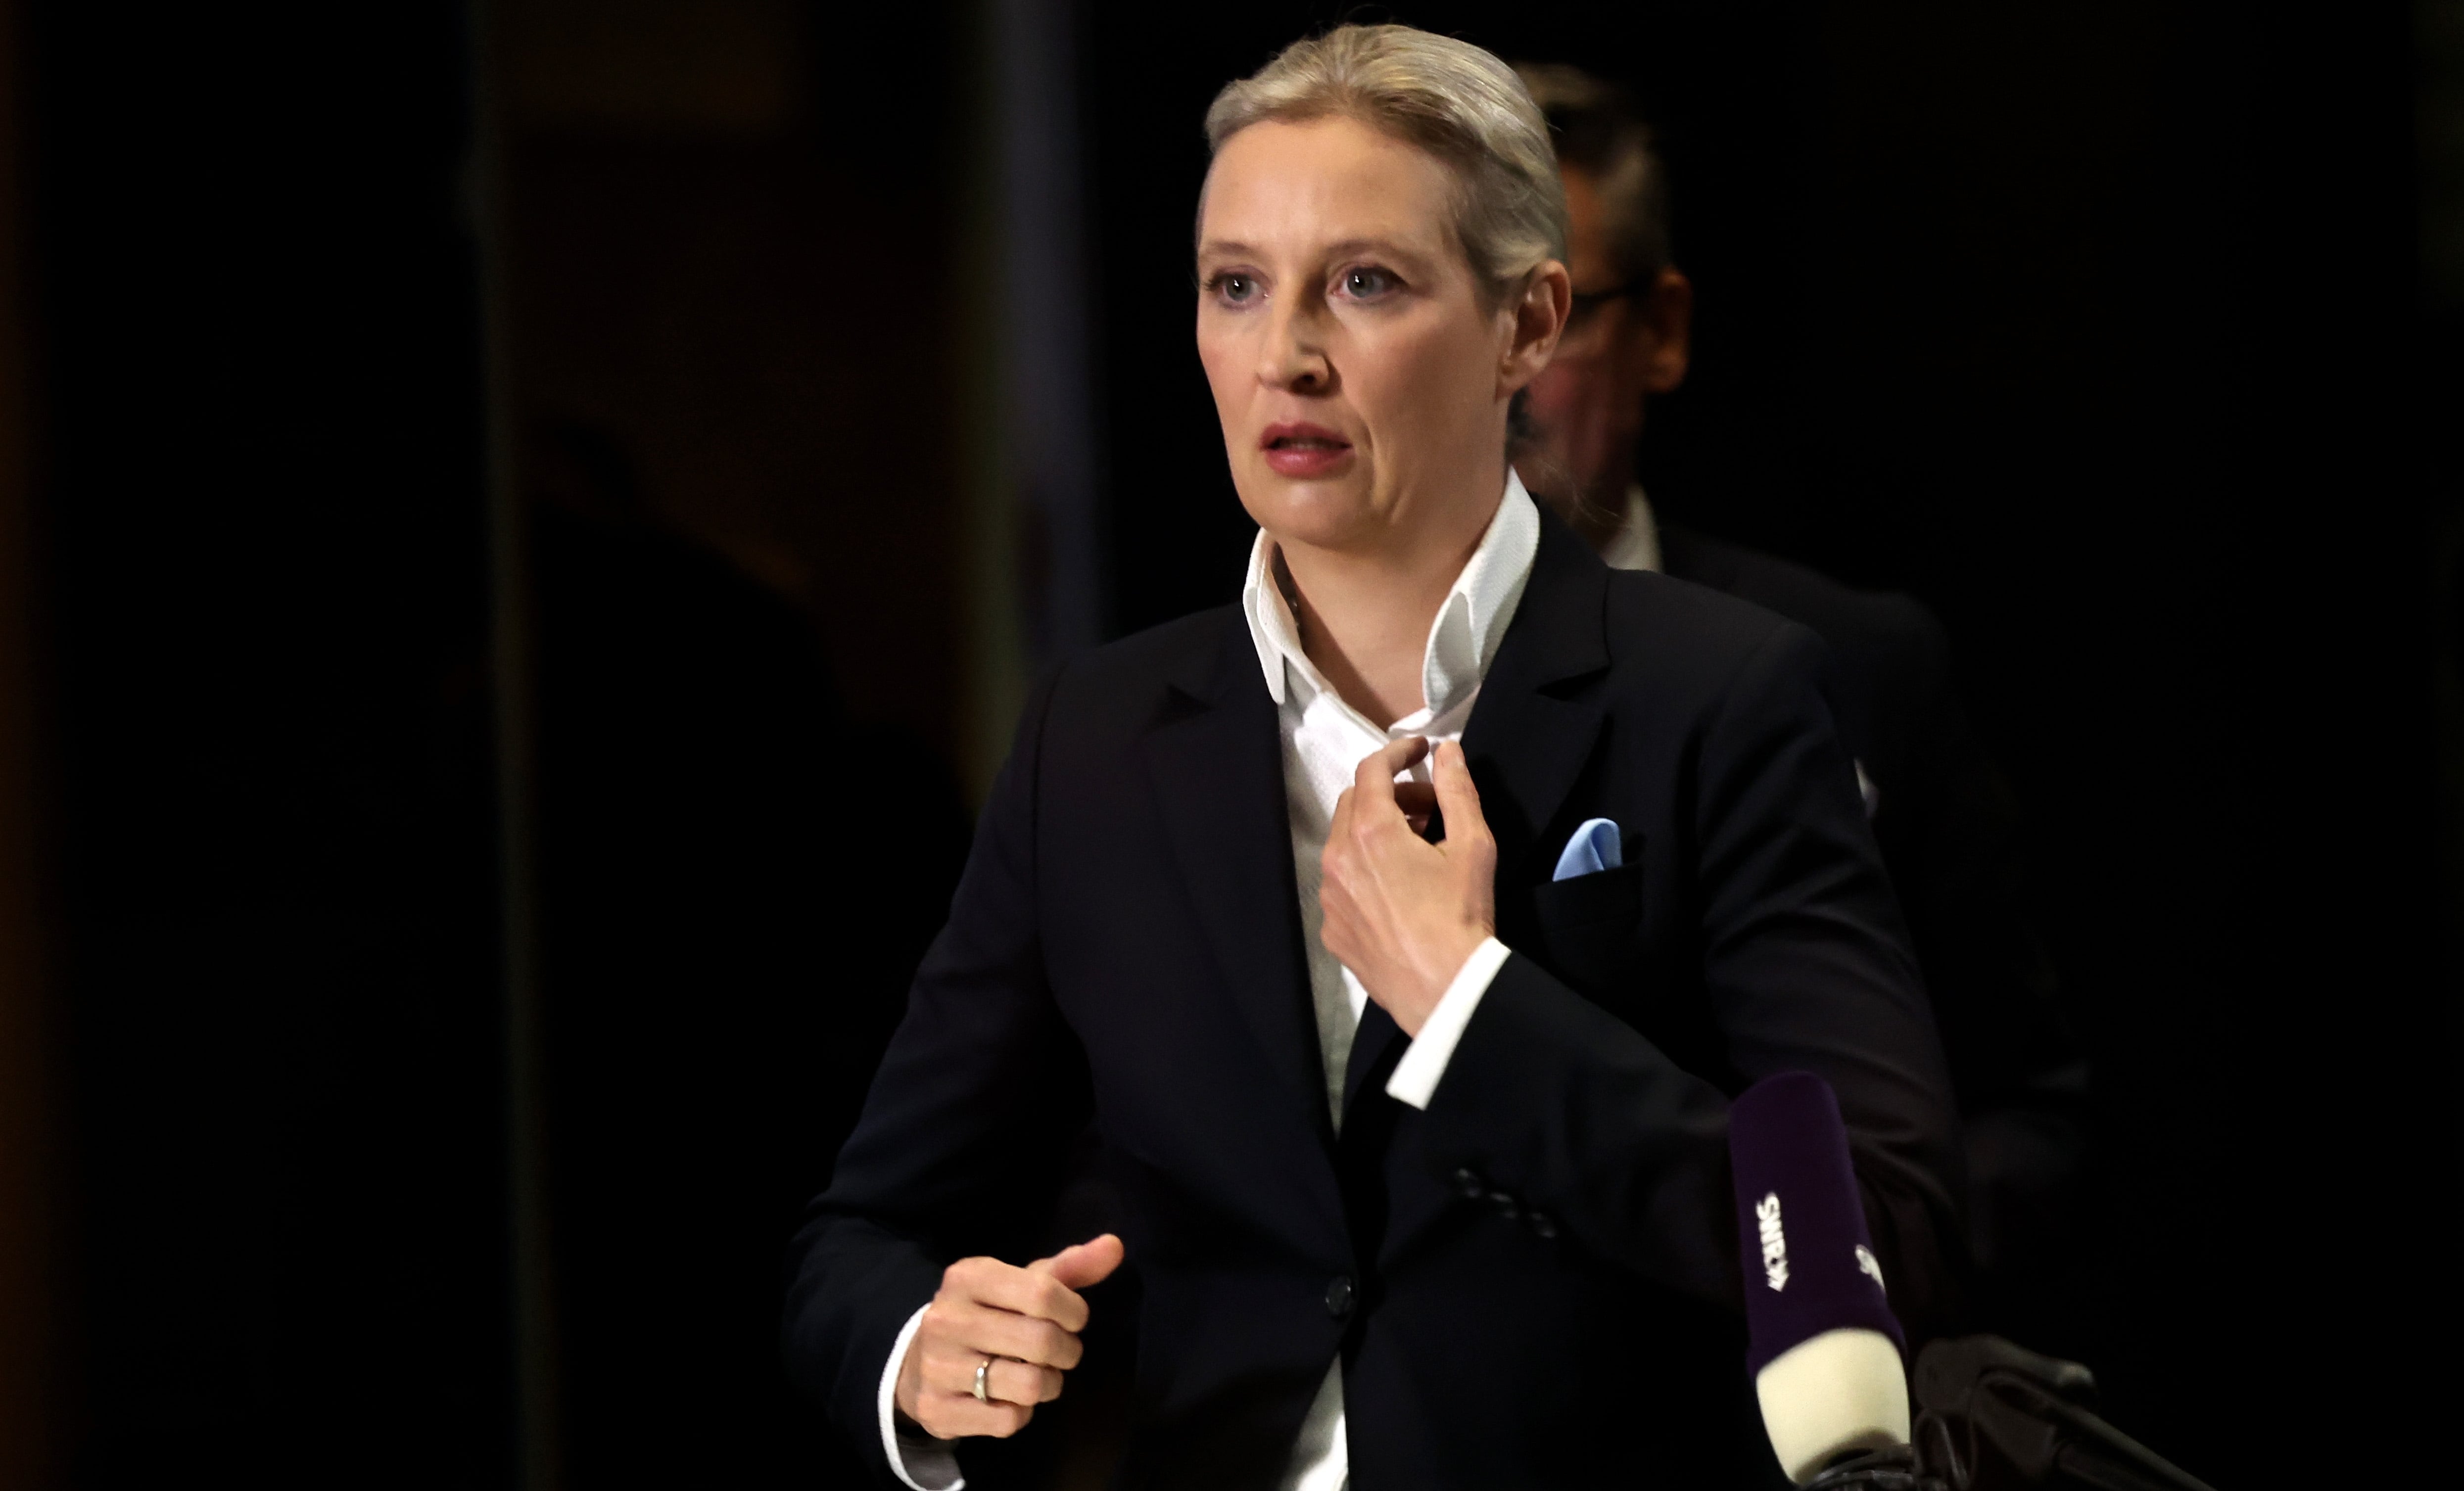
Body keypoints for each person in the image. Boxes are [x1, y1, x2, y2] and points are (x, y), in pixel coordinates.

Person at [784, 27, 1962, 1491]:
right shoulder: (1089, 737)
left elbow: (1881, 1232)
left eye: (1363, 282)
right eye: (1235, 285)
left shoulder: (1721, 693)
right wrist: (923, 1346)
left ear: (1528, 325)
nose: (1284, 353)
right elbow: (861, 1234)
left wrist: (1470, 1010)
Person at [1511, 64, 2088, 1330]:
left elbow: (2025, 1119)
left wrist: (1837, 1263)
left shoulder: (1841, 661)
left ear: (1661, 330)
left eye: (1553, 318)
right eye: (1461, 308)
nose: (1505, 376)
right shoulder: (1311, 693)